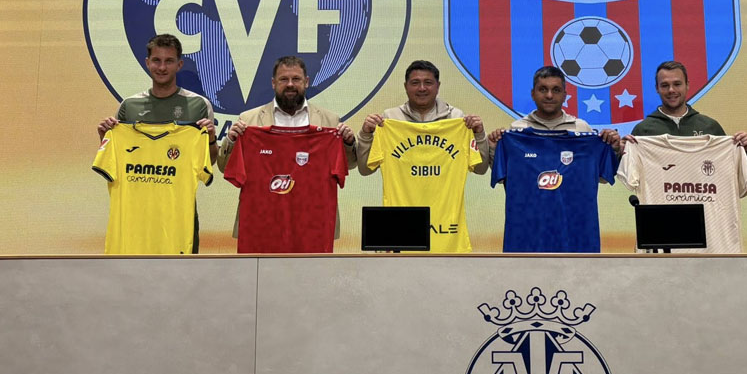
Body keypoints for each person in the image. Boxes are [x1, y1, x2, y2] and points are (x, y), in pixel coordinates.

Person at [96, 33, 217, 253]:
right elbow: (115, 160)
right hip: (133, 221)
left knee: (180, 273)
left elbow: (209, 162)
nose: (162, 67)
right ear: (147, 63)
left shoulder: (199, 105)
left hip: (178, 220)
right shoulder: (129, 106)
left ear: (179, 64)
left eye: (169, 61)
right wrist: (105, 137)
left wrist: (210, 138)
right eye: (156, 60)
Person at [216, 56, 357, 170]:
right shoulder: (248, 120)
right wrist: (231, 141)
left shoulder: (330, 120)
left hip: (314, 197)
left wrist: (348, 143)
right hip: (264, 197)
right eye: (283, 79)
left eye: (296, 79)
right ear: (273, 83)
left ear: (306, 82)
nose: (290, 84)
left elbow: (349, 165)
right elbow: (225, 168)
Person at [356, 60, 488, 176]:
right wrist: (366, 135)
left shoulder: (456, 118)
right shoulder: (390, 118)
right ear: (406, 86)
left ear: (438, 86)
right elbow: (366, 169)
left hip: (446, 198)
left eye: (428, 83)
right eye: (415, 83)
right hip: (402, 197)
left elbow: (480, 169)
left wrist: (479, 135)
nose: (422, 88)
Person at [486, 65, 622, 157]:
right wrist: (493, 148)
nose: (549, 95)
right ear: (533, 94)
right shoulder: (517, 129)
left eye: (556, 90)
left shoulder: (581, 128)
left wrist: (614, 149)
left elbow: (600, 176)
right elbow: (506, 175)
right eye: (543, 89)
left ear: (564, 95)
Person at [628, 61, 747, 158]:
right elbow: (630, 172)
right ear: (657, 88)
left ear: (687, 85)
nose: (671, 90)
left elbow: (729, 167)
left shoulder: (709, 127)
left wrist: (745, 150)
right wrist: (620, 151)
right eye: (665, 85)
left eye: (677, 84)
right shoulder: (643, 130)